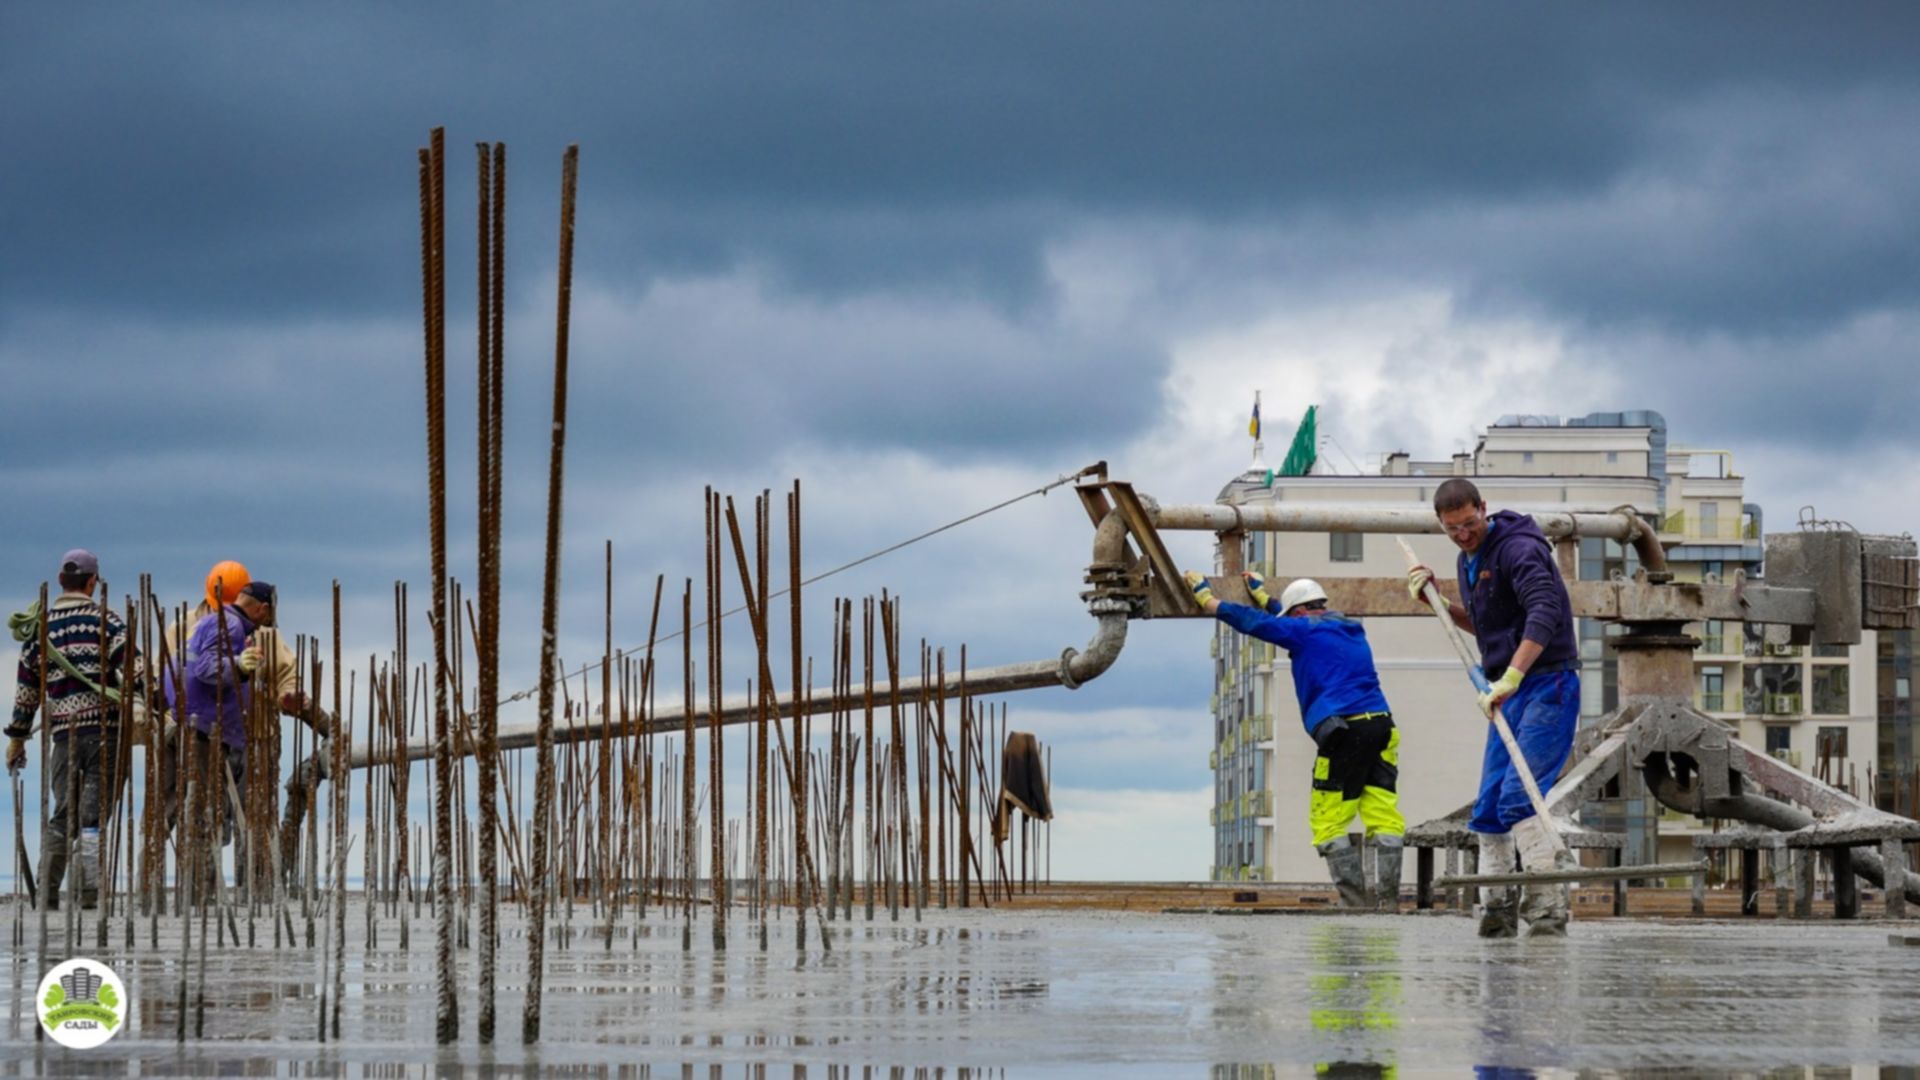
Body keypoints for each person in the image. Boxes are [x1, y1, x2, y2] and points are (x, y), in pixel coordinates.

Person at [1406, 478, 1580, 938]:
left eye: (1469, 523)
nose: (1463, 535)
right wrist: (1440, 604)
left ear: (1484, 508)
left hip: (1548, 684)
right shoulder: (1468, 559)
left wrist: (1515, 674)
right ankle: (1497, 910)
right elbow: (1485, 624)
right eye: (1451, 529)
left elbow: (1545, 609)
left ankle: (1546, 910)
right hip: (1507, 691)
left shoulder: (1519, 549)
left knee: (1519, 797)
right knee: (1487, 809)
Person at [1187, 568, 1405, 910]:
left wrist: (1210, 601)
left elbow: (1256, 624)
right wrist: (1266, 598)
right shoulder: (1349, 628)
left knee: (1328, 821)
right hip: (1381, 727)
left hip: (1344, 733)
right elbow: (1290, 620)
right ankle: (1389, 902)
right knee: (1383, 813)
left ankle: (1355, 905)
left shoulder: (1303, 631)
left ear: (1299, 612)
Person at [6, 549, 139, 910]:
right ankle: (89, 898)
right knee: (92, 821)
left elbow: (26, 695)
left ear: (61, 581)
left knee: (62, 816)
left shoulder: (39, 631)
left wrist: (17, 739)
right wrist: (161, 707)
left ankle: (47, 899)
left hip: (63, 737)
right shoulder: (108, 623)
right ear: (93, 582)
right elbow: (137, 674)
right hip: (104, 735)